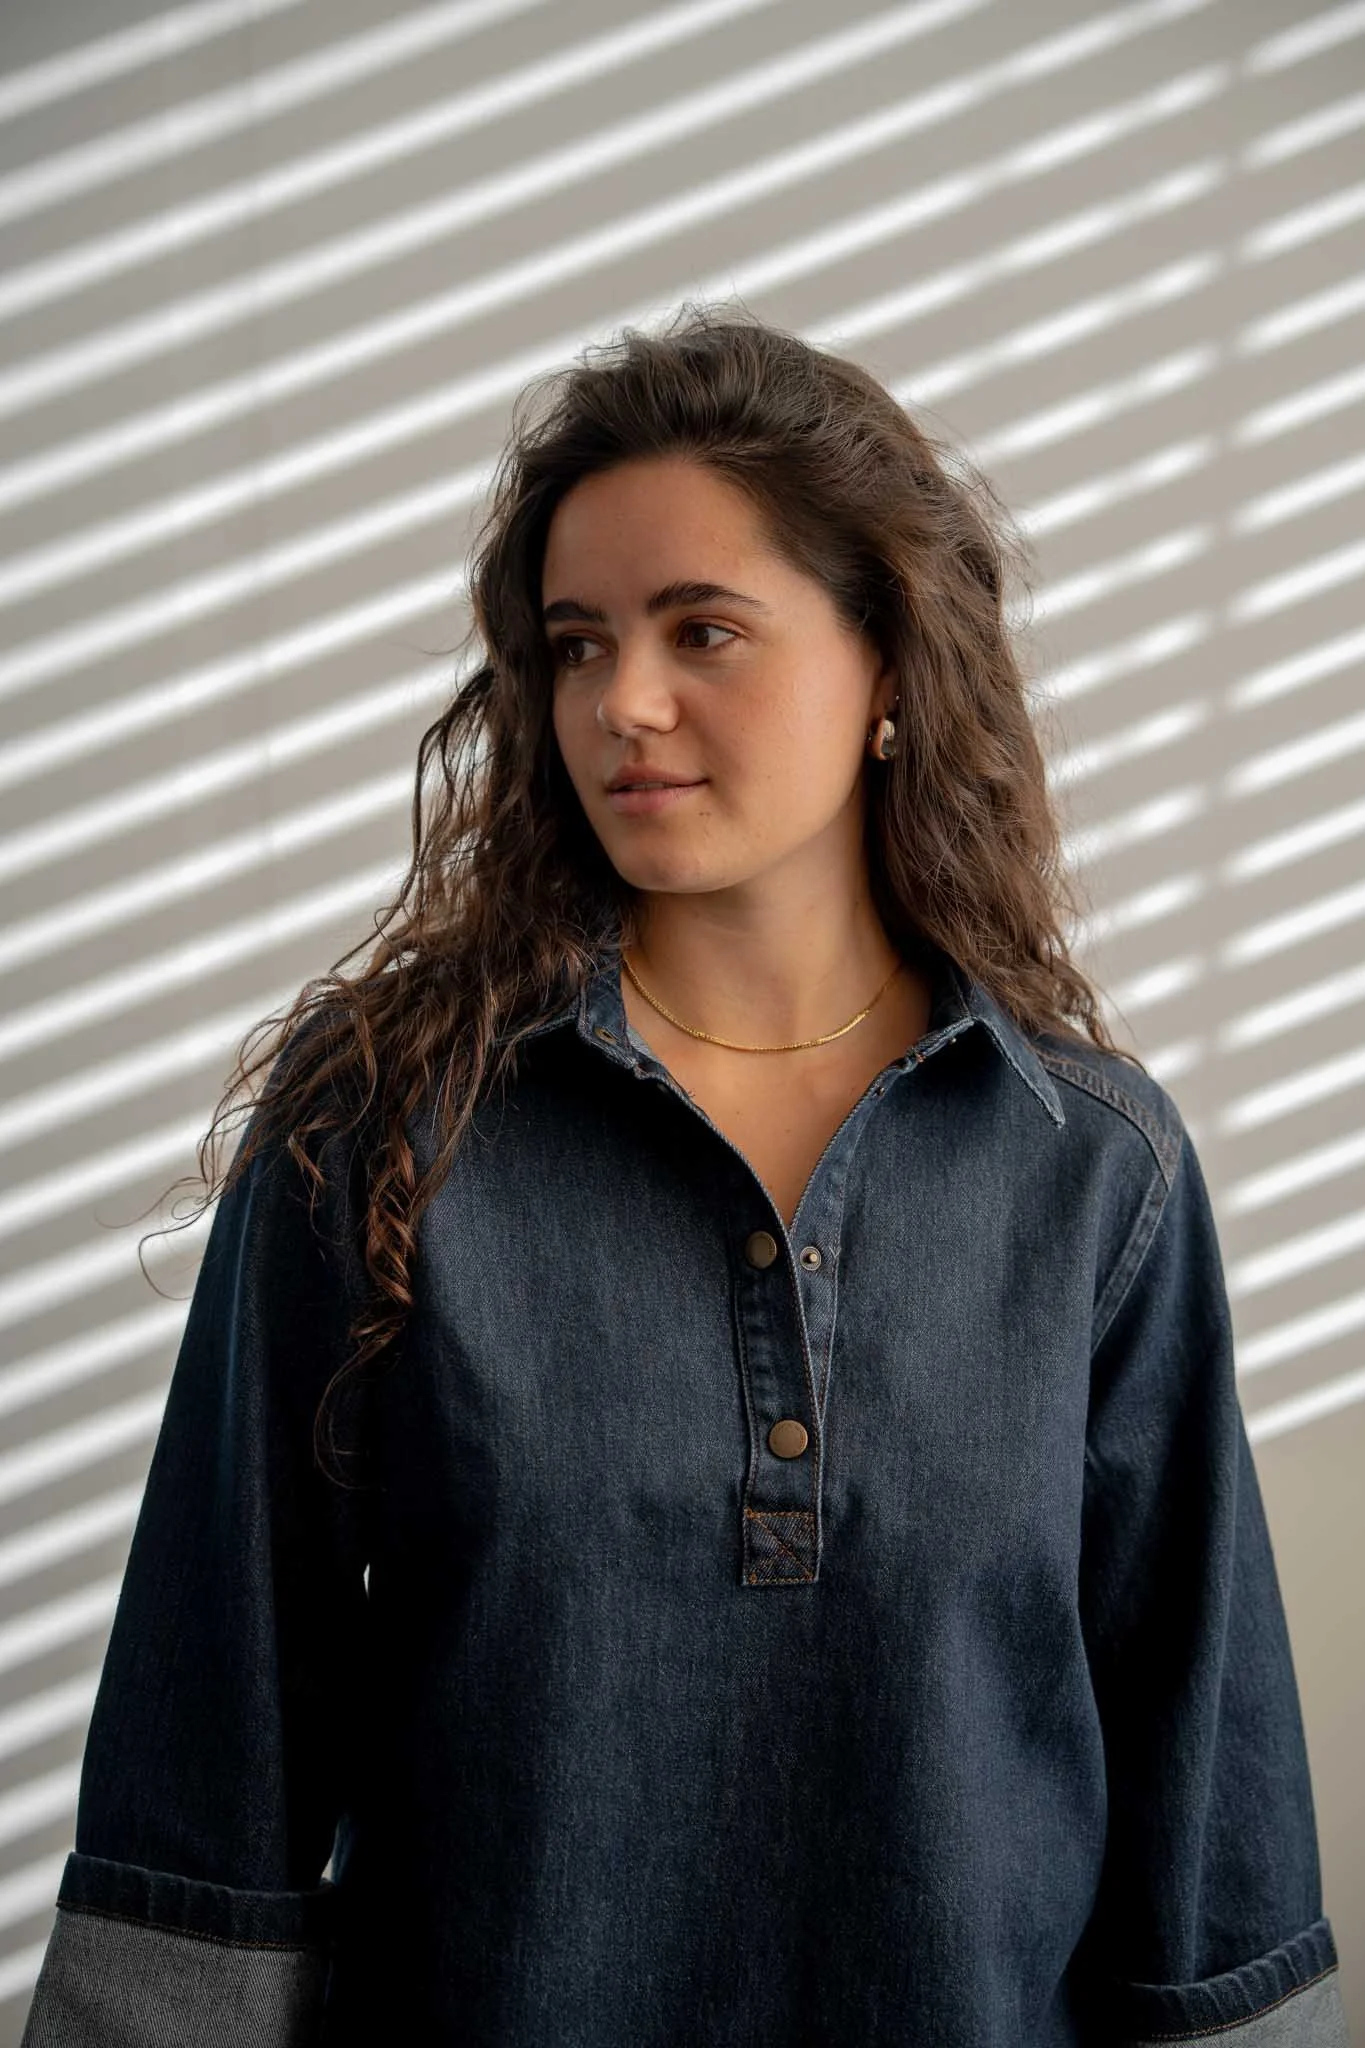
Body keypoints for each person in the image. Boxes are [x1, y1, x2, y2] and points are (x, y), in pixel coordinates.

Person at [21, 303, 1346, 2047]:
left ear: (890, 670)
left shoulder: (1092, 1174)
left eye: (701, 629)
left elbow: (1210, 1827)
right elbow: (211, 1752)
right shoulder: (385, 1130)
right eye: (577, 644)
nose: (621, 703)